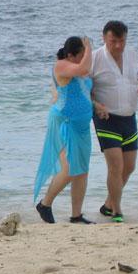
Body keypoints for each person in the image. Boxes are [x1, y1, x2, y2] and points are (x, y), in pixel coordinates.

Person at [90, 20, 138, 223]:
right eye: (113, 41)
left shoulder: (132, 54)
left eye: (122, 41)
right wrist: (96, 105)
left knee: (130, 166)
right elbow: (84, 90)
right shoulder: (94, 58)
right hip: (106, 119)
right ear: (104, 38)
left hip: (129, 118)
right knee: (115, 166)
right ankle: (117, 211)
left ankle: (108, 204)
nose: (118, 46)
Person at [33, 37, 94, 224]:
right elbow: (83, 69)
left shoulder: (76, 67)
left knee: (82, 170)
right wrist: (89, 47)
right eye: (81, 55)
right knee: (69, 169)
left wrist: (97, 106)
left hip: (82, 126)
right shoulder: (61, 66)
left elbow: (83, 91)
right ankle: (45, 204)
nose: (84, 58)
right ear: (70, 55)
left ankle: (76, 215)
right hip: (66, 123)